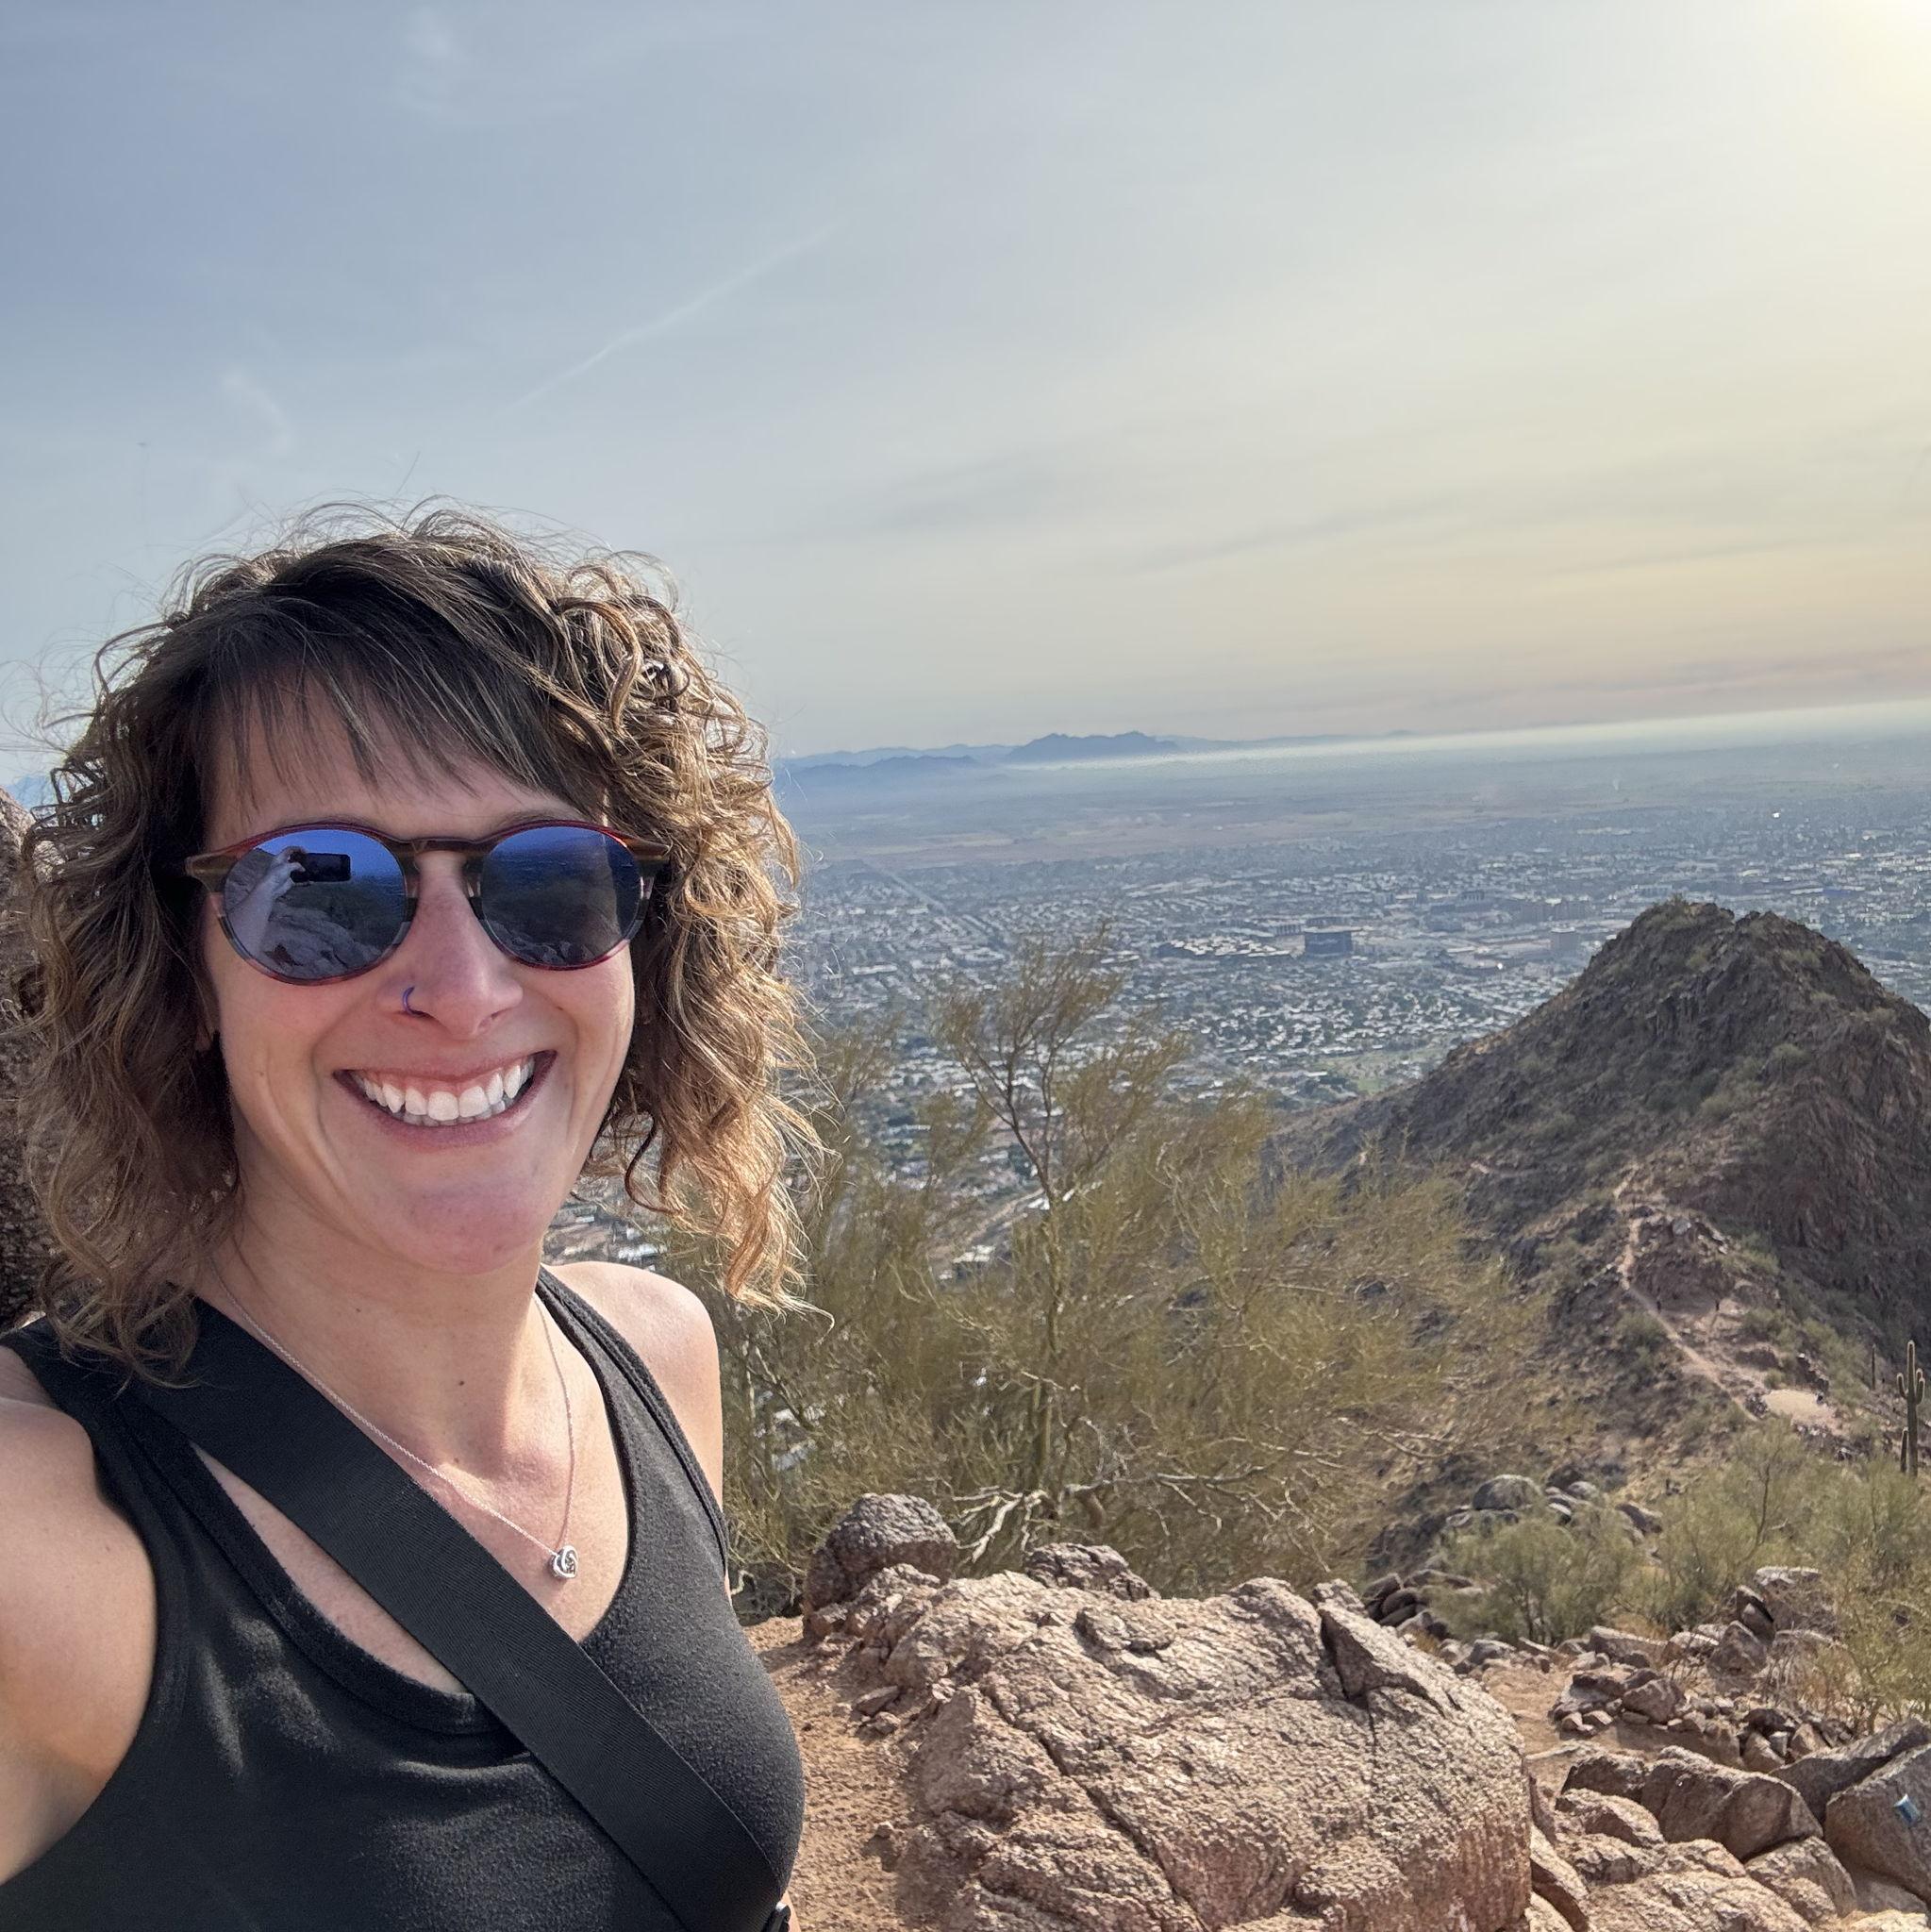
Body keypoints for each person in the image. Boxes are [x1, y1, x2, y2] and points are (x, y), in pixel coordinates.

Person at [0, 506, 810, 1927]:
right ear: (183, 973)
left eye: (551, 879)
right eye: (319, 889)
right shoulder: (42, 1538)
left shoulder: (657, 1357)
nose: (464, 987)